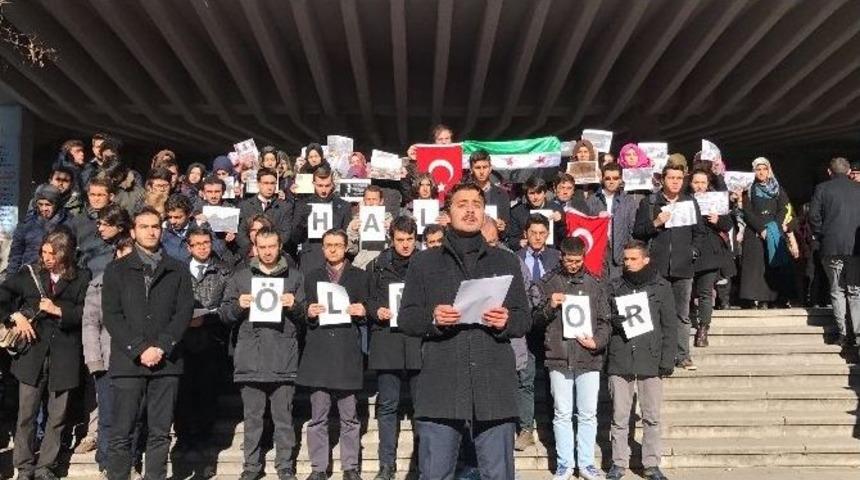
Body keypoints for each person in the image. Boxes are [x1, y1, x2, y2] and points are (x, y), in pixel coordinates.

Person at [399, 182, 531, 480]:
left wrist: (506, 320)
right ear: (447, 213)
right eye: (462, 204)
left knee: (499, 476)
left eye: (476, 204)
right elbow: (407, 318)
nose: (470, 210)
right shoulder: (424, 262)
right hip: (441, 385)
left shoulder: (506, 260)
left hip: (493, 386)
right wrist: (433, 318)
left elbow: (524, 319)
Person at [102, 206, 194, 480]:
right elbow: (112, 315)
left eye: (155, 226)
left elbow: (183, 312)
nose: (151, 231)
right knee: (121, 432)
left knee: (160, 433)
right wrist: (140, 348)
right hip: (128, 362)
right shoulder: (116, 269)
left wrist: (162, 346)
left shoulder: (178, 269)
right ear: (132, 232)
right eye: (144, 226)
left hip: (166, 363)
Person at [1, 228, 91, 480]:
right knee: (26, 415)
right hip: (32, 355)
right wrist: (15, 316)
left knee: (57, 417)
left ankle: (46, 467)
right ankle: (24, 467)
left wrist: (58, 310)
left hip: (65, 356)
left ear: (66, 253)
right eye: (44, 252)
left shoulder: (82, 277)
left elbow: (88, 312)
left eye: (53, 253)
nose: (47, 258)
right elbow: (2, 295)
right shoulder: (29, 273)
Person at [221, 227, 304, 480]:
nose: (267, 252)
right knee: (252, 418)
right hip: (251, 357)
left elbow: (307, 318)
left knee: (284, 418)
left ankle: (285, 466)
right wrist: (238, 306)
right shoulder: (240, 277)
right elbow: (224, 315)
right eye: (263, 247)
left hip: (283, 356)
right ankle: (251, 466)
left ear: (280, 247)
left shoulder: (295, 277)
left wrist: (295, 306)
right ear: (255, 248)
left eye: (272, 247)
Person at [533, 237, 610, 480]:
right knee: (562, 413)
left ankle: (586, 463)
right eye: (569, 261)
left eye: (578, 261)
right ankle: (565, 464)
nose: (574, 265)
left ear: (584, 258)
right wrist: (550, 306)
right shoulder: (547, 283)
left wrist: (597, 342)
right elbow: (534, 321)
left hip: (588, 356)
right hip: (559, 356)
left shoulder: (595, 284)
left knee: (587, 413)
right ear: (561, 257)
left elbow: (605, 322)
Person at [299, 229, 369, 480]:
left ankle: (350, 467)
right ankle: (318, 468)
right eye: (328, 245)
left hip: (346, 351)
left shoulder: (360, 276)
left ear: (346, 247)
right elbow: (301, 310)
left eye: (337, 244)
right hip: (319, 352)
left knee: (349, 417)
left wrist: (363, 310)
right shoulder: (312, 276)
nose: (332, 249)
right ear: (322, 248)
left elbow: (370, 306)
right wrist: (309, 312)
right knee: (318, 417)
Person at [605, 241, 677, 480]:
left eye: (633, 259)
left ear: (646, 260)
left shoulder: (662, 287)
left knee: (651, 416)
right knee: (619, 416)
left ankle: (651, 465)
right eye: (625, 259)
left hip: (651, 357)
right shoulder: (614, 286)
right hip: (621, 356)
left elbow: (669, 325)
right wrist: (614, 320)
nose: (628, 263)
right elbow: (603, 316)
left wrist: (668, 359)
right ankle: (618, 463)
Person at [364, 217, 422, 480]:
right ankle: (386, 465)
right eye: (400, 240)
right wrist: (377, 310)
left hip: (417, 342)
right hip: (387, 342)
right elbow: (366, 299)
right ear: (391, 239)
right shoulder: (376, 266)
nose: (405, 245)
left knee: (422, 407)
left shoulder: (425, 263)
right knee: (387, 406)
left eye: (410, 239)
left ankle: (424, 461)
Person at [633, 164, 704, 371]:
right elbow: (638, 232)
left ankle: (683, 355)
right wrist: (656, 222)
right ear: (663, 180)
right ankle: (657, 356)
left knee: (682, 314)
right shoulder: (650, 202)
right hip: (657, 268)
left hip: (683, 268)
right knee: (655, 313)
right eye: (671, 178)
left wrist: (693, 251)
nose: (675, 182)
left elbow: (699, 232)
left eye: (679, 178)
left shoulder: (690, 202)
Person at [173, 226, 232, 452]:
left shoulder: (224, 271)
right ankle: (183, 437)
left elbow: (229, 305)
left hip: (212, 338)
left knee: (208, 391)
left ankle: (205, 436)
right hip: (183, 340)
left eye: (206, 243)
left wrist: (206, 319)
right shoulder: (178, 270)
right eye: (197, 244)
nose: (202, 248)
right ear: (188, 247)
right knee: (183, 391)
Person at [82, 236, 136, 477]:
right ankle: (106, 463)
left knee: (133, 416)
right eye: (123, 255)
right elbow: (90, 325)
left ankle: (130, 461)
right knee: (107, 415)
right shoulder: (99, 285)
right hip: (107, 359)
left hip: (135, 359)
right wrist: (94, 360)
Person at [513, 214, 559, 451]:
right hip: (526, 329)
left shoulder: (556, 257)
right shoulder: (516, 258)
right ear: (526, 234)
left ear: (548, 234)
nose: (538, 237)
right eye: (534, 233)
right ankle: (525, 429)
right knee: (526, 378)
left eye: (542, 233)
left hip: (552, 326)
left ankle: (553, 427)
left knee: (554, 380)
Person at [808, 157, 860, 347]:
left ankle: (844, 333)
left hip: (831, 246)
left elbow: (813, 215)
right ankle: (858, 334)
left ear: (829, 172)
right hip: (856, 247)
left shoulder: (822, 189)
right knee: (855, 291)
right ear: (849, 172)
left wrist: (822, 232)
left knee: (837, 290)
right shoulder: (858, 189)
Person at [738, 157, 795, 309]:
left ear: (769, 170)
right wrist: (761, 229)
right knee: (755, 266)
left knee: (772, 265)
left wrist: (774, 227)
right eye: (758, 169)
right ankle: (751, 298)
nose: (762, 172)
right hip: (755, 230)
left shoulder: (778, 189)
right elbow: (747, 212)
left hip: (774, 229)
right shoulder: (749, 190)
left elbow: (784, 208)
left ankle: (769, 298)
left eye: (764, 169)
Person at [688, 168, 735, 347]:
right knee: (686, 291)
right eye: (696, 182)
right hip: (688, 250)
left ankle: (703, 328)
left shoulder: (716, 200)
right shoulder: (684, 200)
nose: (700, 186)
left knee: (705, 292)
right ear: (690, 183)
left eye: (703, 182)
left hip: (709, 252)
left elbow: (728, 224)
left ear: (708, 184)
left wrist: (718, 220)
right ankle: (686, 322)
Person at [290, 165, 351, 274]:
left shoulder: (343, 206)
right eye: (320, 185)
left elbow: (347, 237)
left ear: (332, 184)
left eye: (327, 186)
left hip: (335, 260)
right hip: (310, 259)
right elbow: (294, 239)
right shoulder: (303, 204)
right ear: (313, 184)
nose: (323, 190)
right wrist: (303, 220)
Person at [585, 163, 638, 279]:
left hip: (620, 253)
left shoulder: (629, 201)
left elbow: (633, 229)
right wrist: (596, 219)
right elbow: (586, 228)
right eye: (608, 178)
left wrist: (629, 252)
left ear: (620, 179)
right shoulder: (592, 200)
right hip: (599, 253)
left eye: (615, 178)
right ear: (602, 179)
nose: (611, 181)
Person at [8, 185, 70, 275]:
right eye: (40, 204)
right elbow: (16, 254)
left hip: (57, 274)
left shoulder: (68, 224)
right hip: (30, 273)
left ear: (56, 205)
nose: (44, 209)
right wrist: (11, 276)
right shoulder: (26, 224)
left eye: (48, 205)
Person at [237, 168, 293, 256]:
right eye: (266, 183)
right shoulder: (245, 206)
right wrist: (251, 248)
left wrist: (271, 248)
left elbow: (285, 233)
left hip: (275, 254)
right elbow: (241, 233)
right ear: (258, 184)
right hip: (251, 254)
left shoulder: (285, 207)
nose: (269, 187)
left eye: (272, 183)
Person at [69, 177, 116, 274]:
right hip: (85, 271)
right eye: (92, 195)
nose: (96, 199)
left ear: (111, 196)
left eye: (100, 195)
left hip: (110, 270)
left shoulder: (118, 218)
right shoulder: (78, 221)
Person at [508, 176, 566, 250]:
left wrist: (560, 222)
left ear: (544, 193)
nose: (535, 197)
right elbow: (512, 239)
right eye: (532, 193)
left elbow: (563, 237)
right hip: (527, 251)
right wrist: (519, 243)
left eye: (539, 193)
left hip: (551, 251)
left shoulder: (556, 208)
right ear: (526, 195)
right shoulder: (517, 212)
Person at [347, 185, 394, 269]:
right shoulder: (356, 221)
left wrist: (391, 232)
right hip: (362, 265)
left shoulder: (390, 221)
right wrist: (352, 232)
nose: (371, 203)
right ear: (364, 201)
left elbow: (395, 247)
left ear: (381, 201)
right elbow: (351, 250)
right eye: (368, 199)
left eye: (374, 199)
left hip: (383, 264)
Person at [468, 150, 511, 242]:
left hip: (494, 242)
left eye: (485, 167)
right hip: (470, 241)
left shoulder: (502, 194)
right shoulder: (465, 193)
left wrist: (503, 227)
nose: (482, 171)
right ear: (471, 169)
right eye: (478, 168)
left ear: (490, 168)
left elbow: (508, 227)